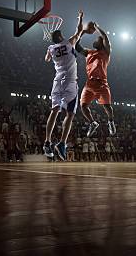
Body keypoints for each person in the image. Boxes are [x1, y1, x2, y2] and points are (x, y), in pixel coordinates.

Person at [42, 9, 84, 161]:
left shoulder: (51, 48)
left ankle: (47, 142)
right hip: (69, 82)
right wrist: (80, 18)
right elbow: (79, 30)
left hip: (57, 82)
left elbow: (47, 59)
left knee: (54, 111)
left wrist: (51, 49)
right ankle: (62, 143)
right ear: (60, 36)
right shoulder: (68, 43)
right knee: (70, 114)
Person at [75, 22, 116, 137]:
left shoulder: (106, 53)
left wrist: (97, 27)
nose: (95, 40)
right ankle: (92, 123)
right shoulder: (89, 52)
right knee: (83, 106)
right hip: (89, 84)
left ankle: (111, 122)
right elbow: (77, 46)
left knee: (107, 106)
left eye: (98, 39)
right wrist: (82, 32)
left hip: (102, 83)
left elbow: (105, 37)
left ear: (102, 43)